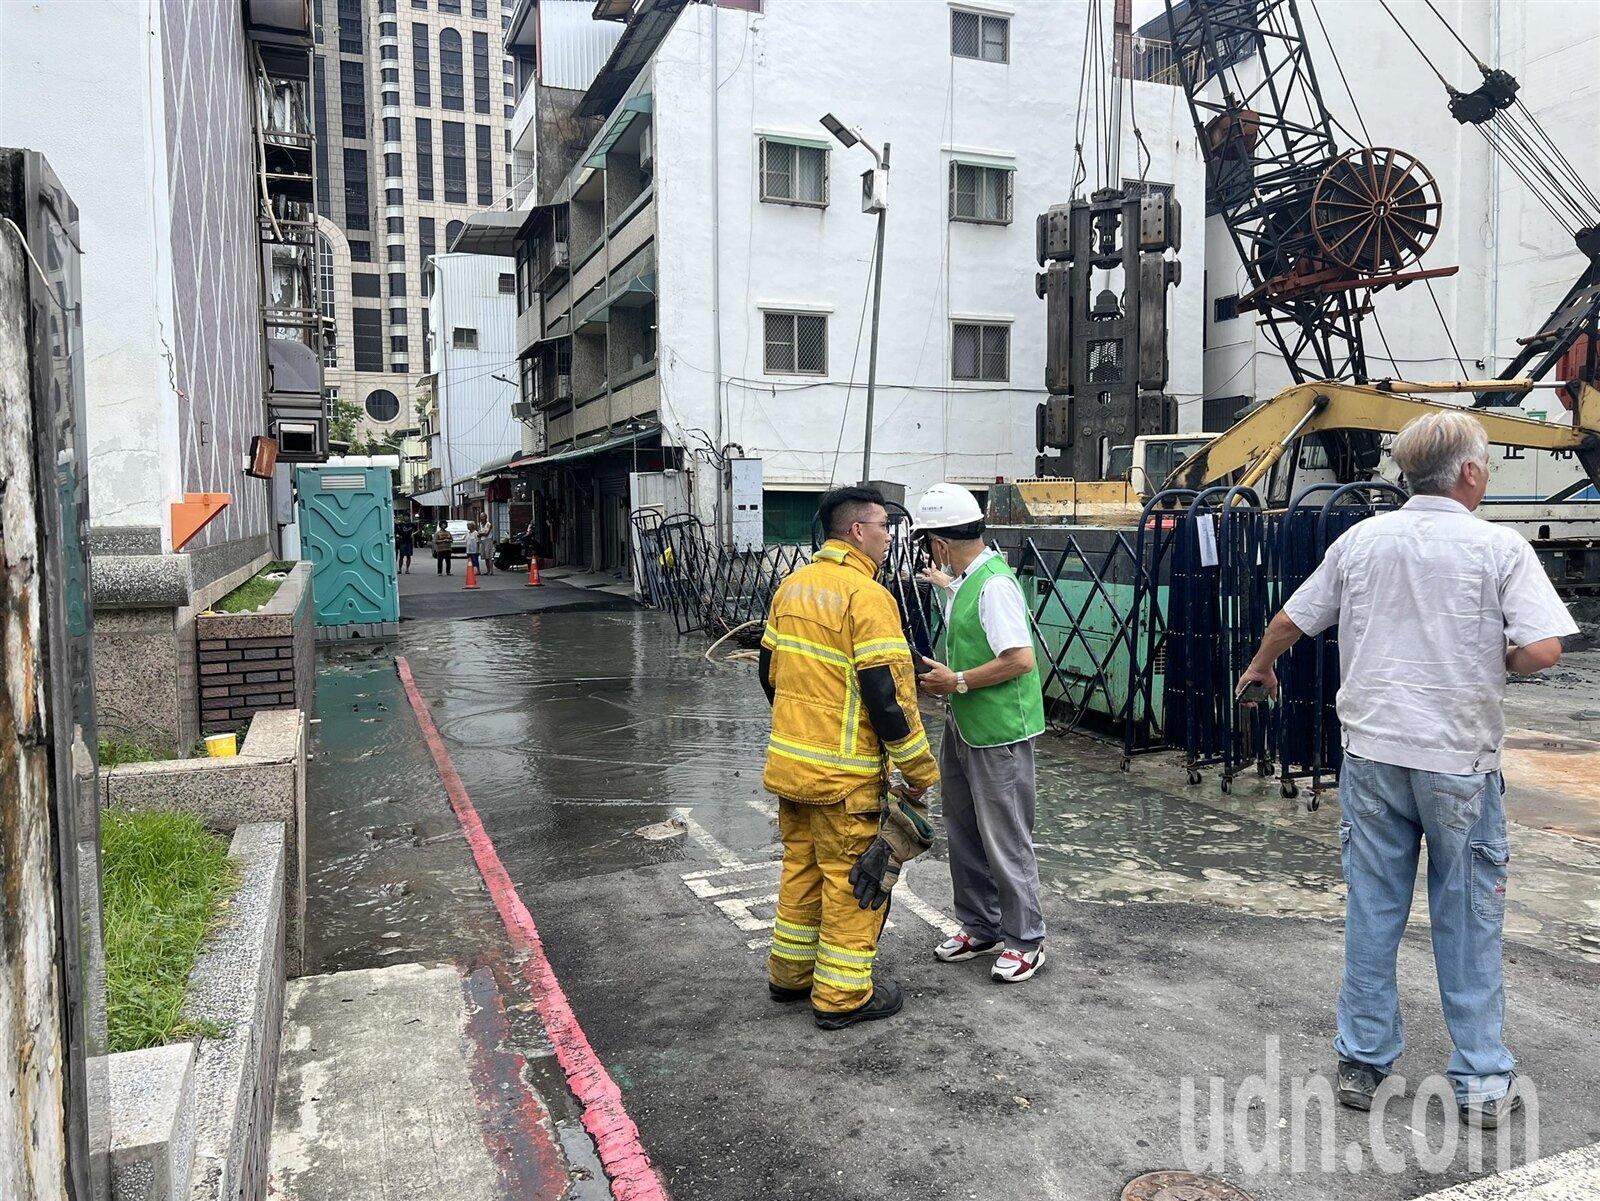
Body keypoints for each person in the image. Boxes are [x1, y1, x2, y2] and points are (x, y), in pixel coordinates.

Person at [1235, 410, 1575, 1129]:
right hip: (1458, 762)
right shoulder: (1499, 547)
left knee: (1374, 909)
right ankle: (1480, 1079)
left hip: (1373, 756)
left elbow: (1293, 619)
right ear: (1471, 473)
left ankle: (1363, 1062)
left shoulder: (1362, 539)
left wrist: (1261, 666)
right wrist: (1497, 657)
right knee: (1468, 917)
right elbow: (1544, 649)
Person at [758, 486, 940, 1030]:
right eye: (884, 526)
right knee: (854, 881)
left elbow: (769, 674)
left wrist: (805, 732)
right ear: (858, 531)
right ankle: (841, 996)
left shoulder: (792, 587)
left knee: (802, 868)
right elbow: (888, 697)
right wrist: (919, 771)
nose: (889, 537)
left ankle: (790, 975)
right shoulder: (868, 597)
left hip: (791, 768)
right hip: (844, 778)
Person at [912, 483, 1048, 984]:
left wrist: (958, 681)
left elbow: (1020, 659)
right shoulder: (969, 579)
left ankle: (1026, 940)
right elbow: (964, 600)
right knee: (964, 828)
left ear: (939, 543)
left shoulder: (994, 586)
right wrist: (944, 584)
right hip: (967, 725)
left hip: (999, 732)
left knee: (1005, 836)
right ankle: (980, 925)